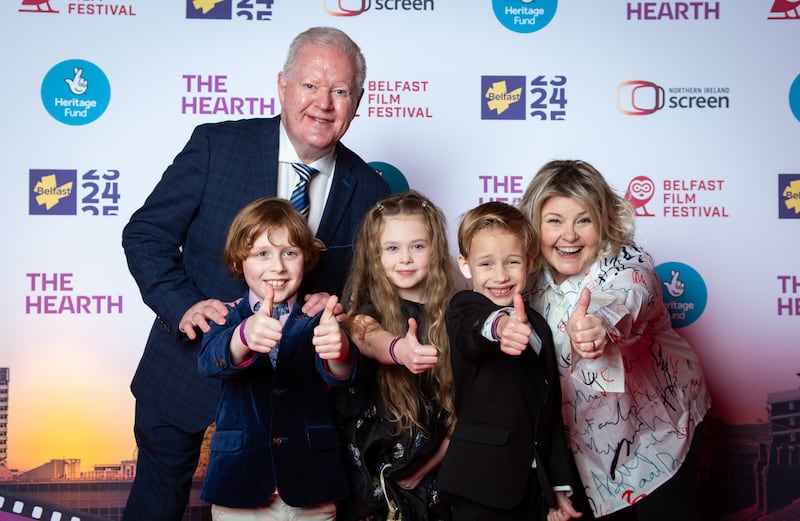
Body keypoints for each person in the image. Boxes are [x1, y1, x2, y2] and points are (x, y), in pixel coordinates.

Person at [120, 26, 390, 521]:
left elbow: (372, 293)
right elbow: (146, 236)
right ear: (282, 85)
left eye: (340, 91)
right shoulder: (216, 146)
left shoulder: (370, 190)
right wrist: (184, 306)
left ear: (358, 101)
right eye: (310, 85)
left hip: (291, 401)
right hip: (184, 374)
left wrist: (340, 309)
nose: (323, 104)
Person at [518, 159, 711, 520]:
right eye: (554, 221)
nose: (569, 235)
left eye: (584, 220)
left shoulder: (629, 263)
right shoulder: (525, 280)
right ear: (533, 225)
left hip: (661, 433)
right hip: (590, 448)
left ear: (603, 222)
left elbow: (625, 300)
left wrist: (597, 325)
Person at [198, 197, 356, 520]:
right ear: (239, 260)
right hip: (240, 488)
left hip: (311, 487)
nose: (278, 267)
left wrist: (339, 350)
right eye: (262, 254)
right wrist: (243, 335)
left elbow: (341, 373)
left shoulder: (318, 315)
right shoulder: (226, 316)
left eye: (290, 253)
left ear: (305, 259)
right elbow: (210, 359)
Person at [438, 201, 581, 521]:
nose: (500, 275)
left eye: (512, 261)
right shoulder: (464, 307)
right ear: (465, 265)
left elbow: (550, 414)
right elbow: (475, 332)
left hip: (532, 487)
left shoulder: (539, 326)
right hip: (479, 484)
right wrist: (500, 328)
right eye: (486, 264)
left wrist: (558, 488)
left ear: (529, 263)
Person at [334, 190, 456, 521]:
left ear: (436, 250)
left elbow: (469, 406)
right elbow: (366, 335)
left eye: (417, 246)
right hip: (373, 473)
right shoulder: (363, 311)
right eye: (392, 248)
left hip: (433, 472)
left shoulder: (456, 313)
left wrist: (431, 464)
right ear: (375, 257)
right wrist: (400, 349)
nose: (405, 258)